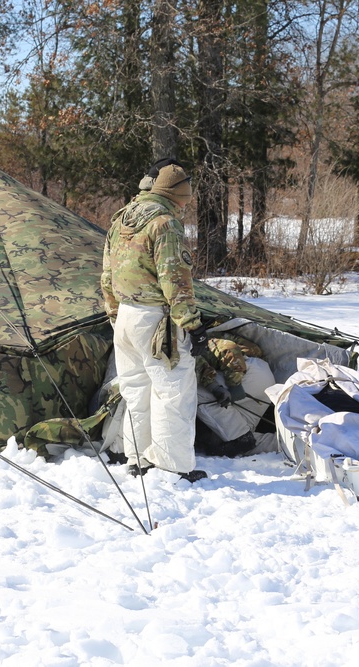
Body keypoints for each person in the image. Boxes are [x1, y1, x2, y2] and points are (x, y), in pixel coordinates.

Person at [100, 162, 208, 483]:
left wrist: (115, 315)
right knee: (173, 391)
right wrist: (190, 324)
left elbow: (107, 276)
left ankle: (137, 459)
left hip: (125, 317)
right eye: (185, 199)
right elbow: (174, 280)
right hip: (157, 321)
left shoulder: (120, 220)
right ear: (177, 195)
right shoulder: (165, 224)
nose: (186, 205)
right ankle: (173, 466)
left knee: (136, 391)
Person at [194, 332, 276, 457]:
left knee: (194, 392)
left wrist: (234, 384)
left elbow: (229, 348)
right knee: (244, 436)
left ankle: (240, 438)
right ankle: (292, 444)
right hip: (262, 378)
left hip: (246, 375)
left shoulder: (197, 339)